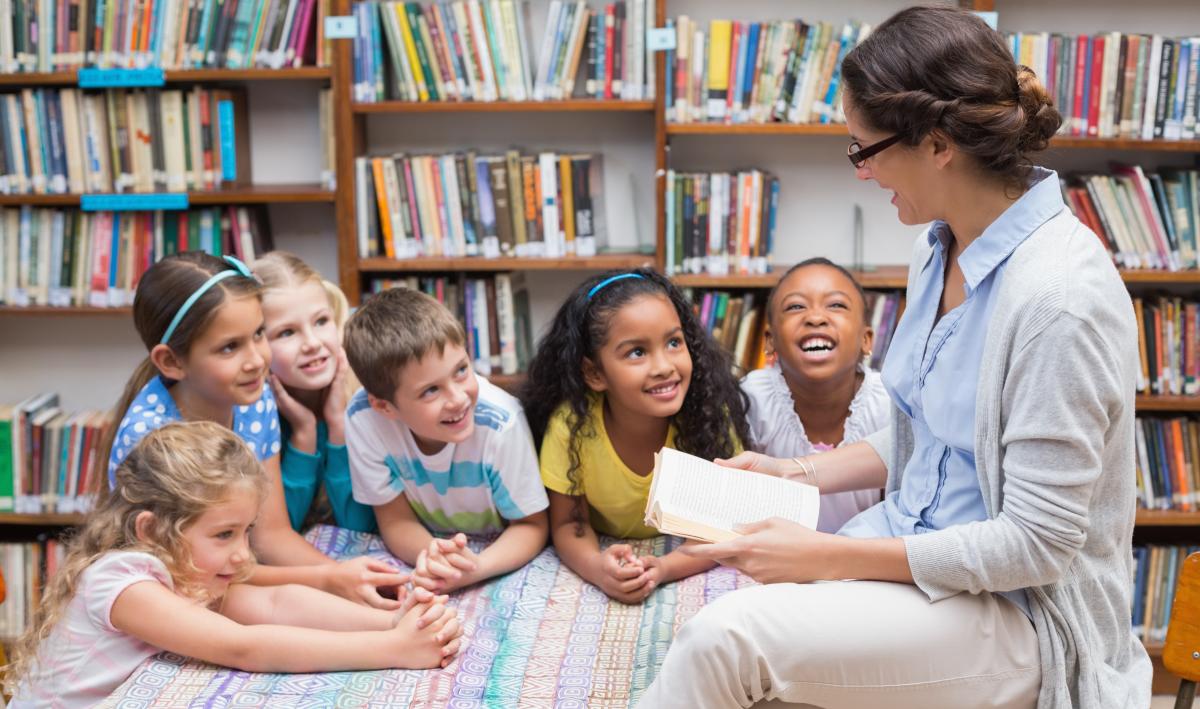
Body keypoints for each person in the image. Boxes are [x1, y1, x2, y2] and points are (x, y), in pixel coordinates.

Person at [639, 6, 1152, 708]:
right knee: (736, 615)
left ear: (938, 144)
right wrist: (797, 471)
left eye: (865, 150)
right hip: (915, 546)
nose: (859, 172)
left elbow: (1034, 545)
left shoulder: (1059, 298)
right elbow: (931, 432)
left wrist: (829, 555)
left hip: (1020, 612)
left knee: (725, 640)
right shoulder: (937, 246)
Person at [7, 422, 461, 708]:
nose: (244, 554)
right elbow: (245, 647)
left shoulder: (187, 569)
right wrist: (395, 651)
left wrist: (388, 621)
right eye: (224, 534)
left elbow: (276, 605)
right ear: (149, 529)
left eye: (247, 531)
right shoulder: (120, 582)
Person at [102, 252, 406, 608]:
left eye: (258, 334)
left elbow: (271, 535)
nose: (257, 360)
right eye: (230, 346)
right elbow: (194, 575)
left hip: (231, 577)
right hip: (176, 593)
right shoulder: (150, 442)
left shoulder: (254, 400)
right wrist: (327, 578)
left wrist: (350, 579)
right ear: (171, 361)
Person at [520, 269, 749, 604]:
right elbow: (570, 525)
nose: (663, 366)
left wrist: (663, 568)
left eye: (674, 342)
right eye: (637, 352)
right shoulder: (570, 427)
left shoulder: (709, 415)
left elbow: (723, 525)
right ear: (595, 373)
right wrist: (598, 568)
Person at [342, 287, 549, 594]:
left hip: (497, 547)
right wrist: (435, 558)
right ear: (384, 406)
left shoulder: (501, 423)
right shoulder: (363, 420)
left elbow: (531, 526)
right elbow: (395, 522)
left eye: (462, 370)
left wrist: (474, 568)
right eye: (430, 391)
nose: (458, 398)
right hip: (435, 542)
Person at [742, 258, 889, 533]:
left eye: (836, 305)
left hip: (865, 560)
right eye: (796, 306)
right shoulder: (753, 401)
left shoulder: (888, 404)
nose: (815, 318)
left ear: (866, 339)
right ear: (770, 341)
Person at [253, 251, 377, 533]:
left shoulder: (366, 395)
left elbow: (360, 527)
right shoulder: (255, 413)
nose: (312, 343)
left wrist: (338, 426)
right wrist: (304, 435)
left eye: (321, 321)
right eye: (287, 333)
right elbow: (278, 535)